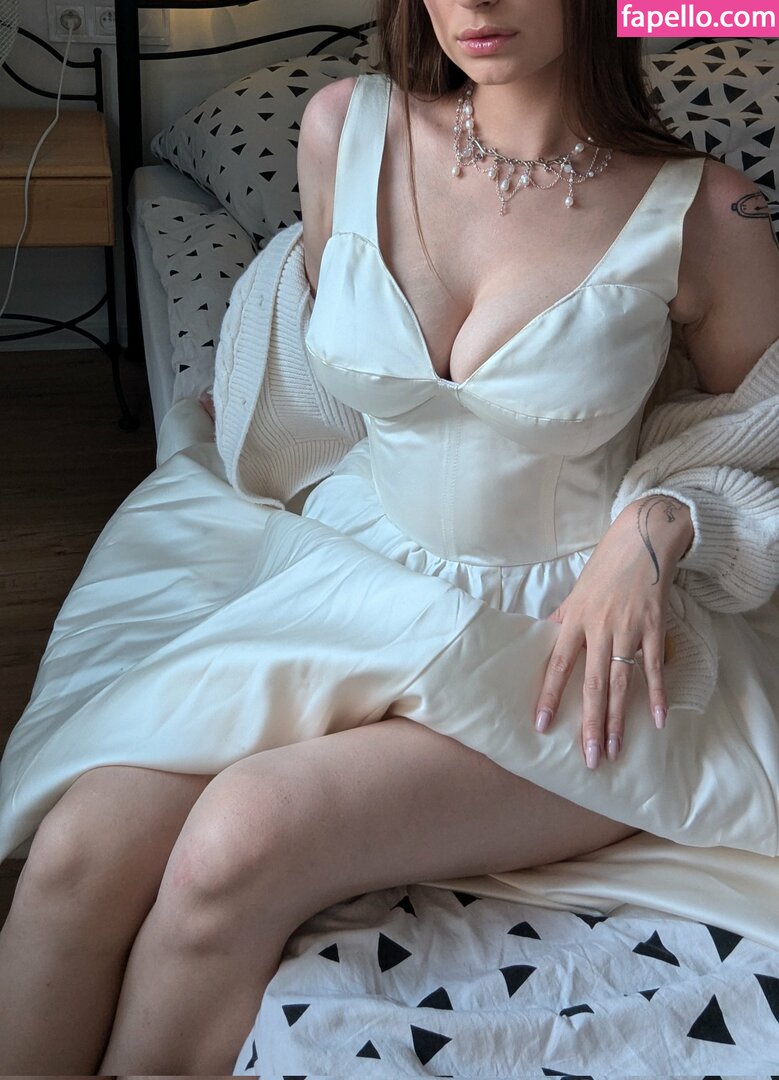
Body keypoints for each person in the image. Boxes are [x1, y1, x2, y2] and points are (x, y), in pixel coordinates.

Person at [0, 0, 777, 1073]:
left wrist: (654, 524)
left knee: (240, 838)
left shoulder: (709, 211)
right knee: (78, 850)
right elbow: (321, 387)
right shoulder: (342, 129)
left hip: (562, 638)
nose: (475, 5)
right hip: (360, 572)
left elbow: (757, 434)